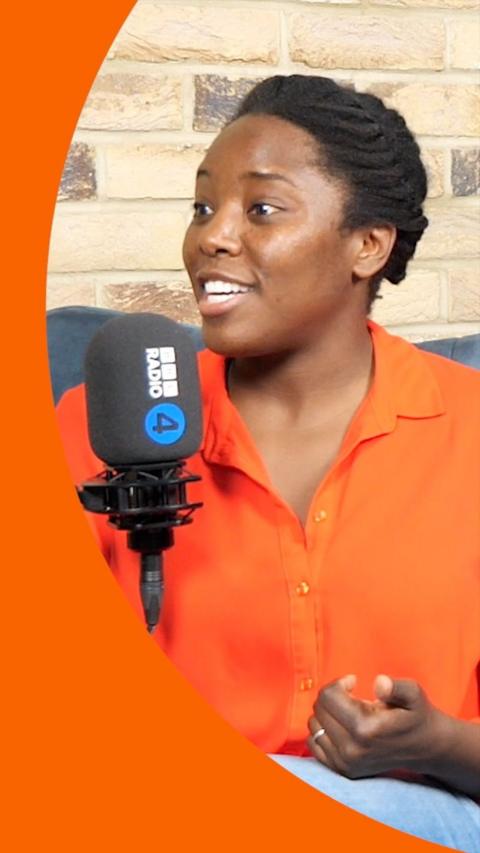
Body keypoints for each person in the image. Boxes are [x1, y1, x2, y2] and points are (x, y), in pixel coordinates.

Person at [56, 75, 480, 850]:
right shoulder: (99, 425)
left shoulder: (471, 429)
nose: (211, 238)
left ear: (367, 245)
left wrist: (439, 744)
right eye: (201, 208)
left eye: (260, 209)